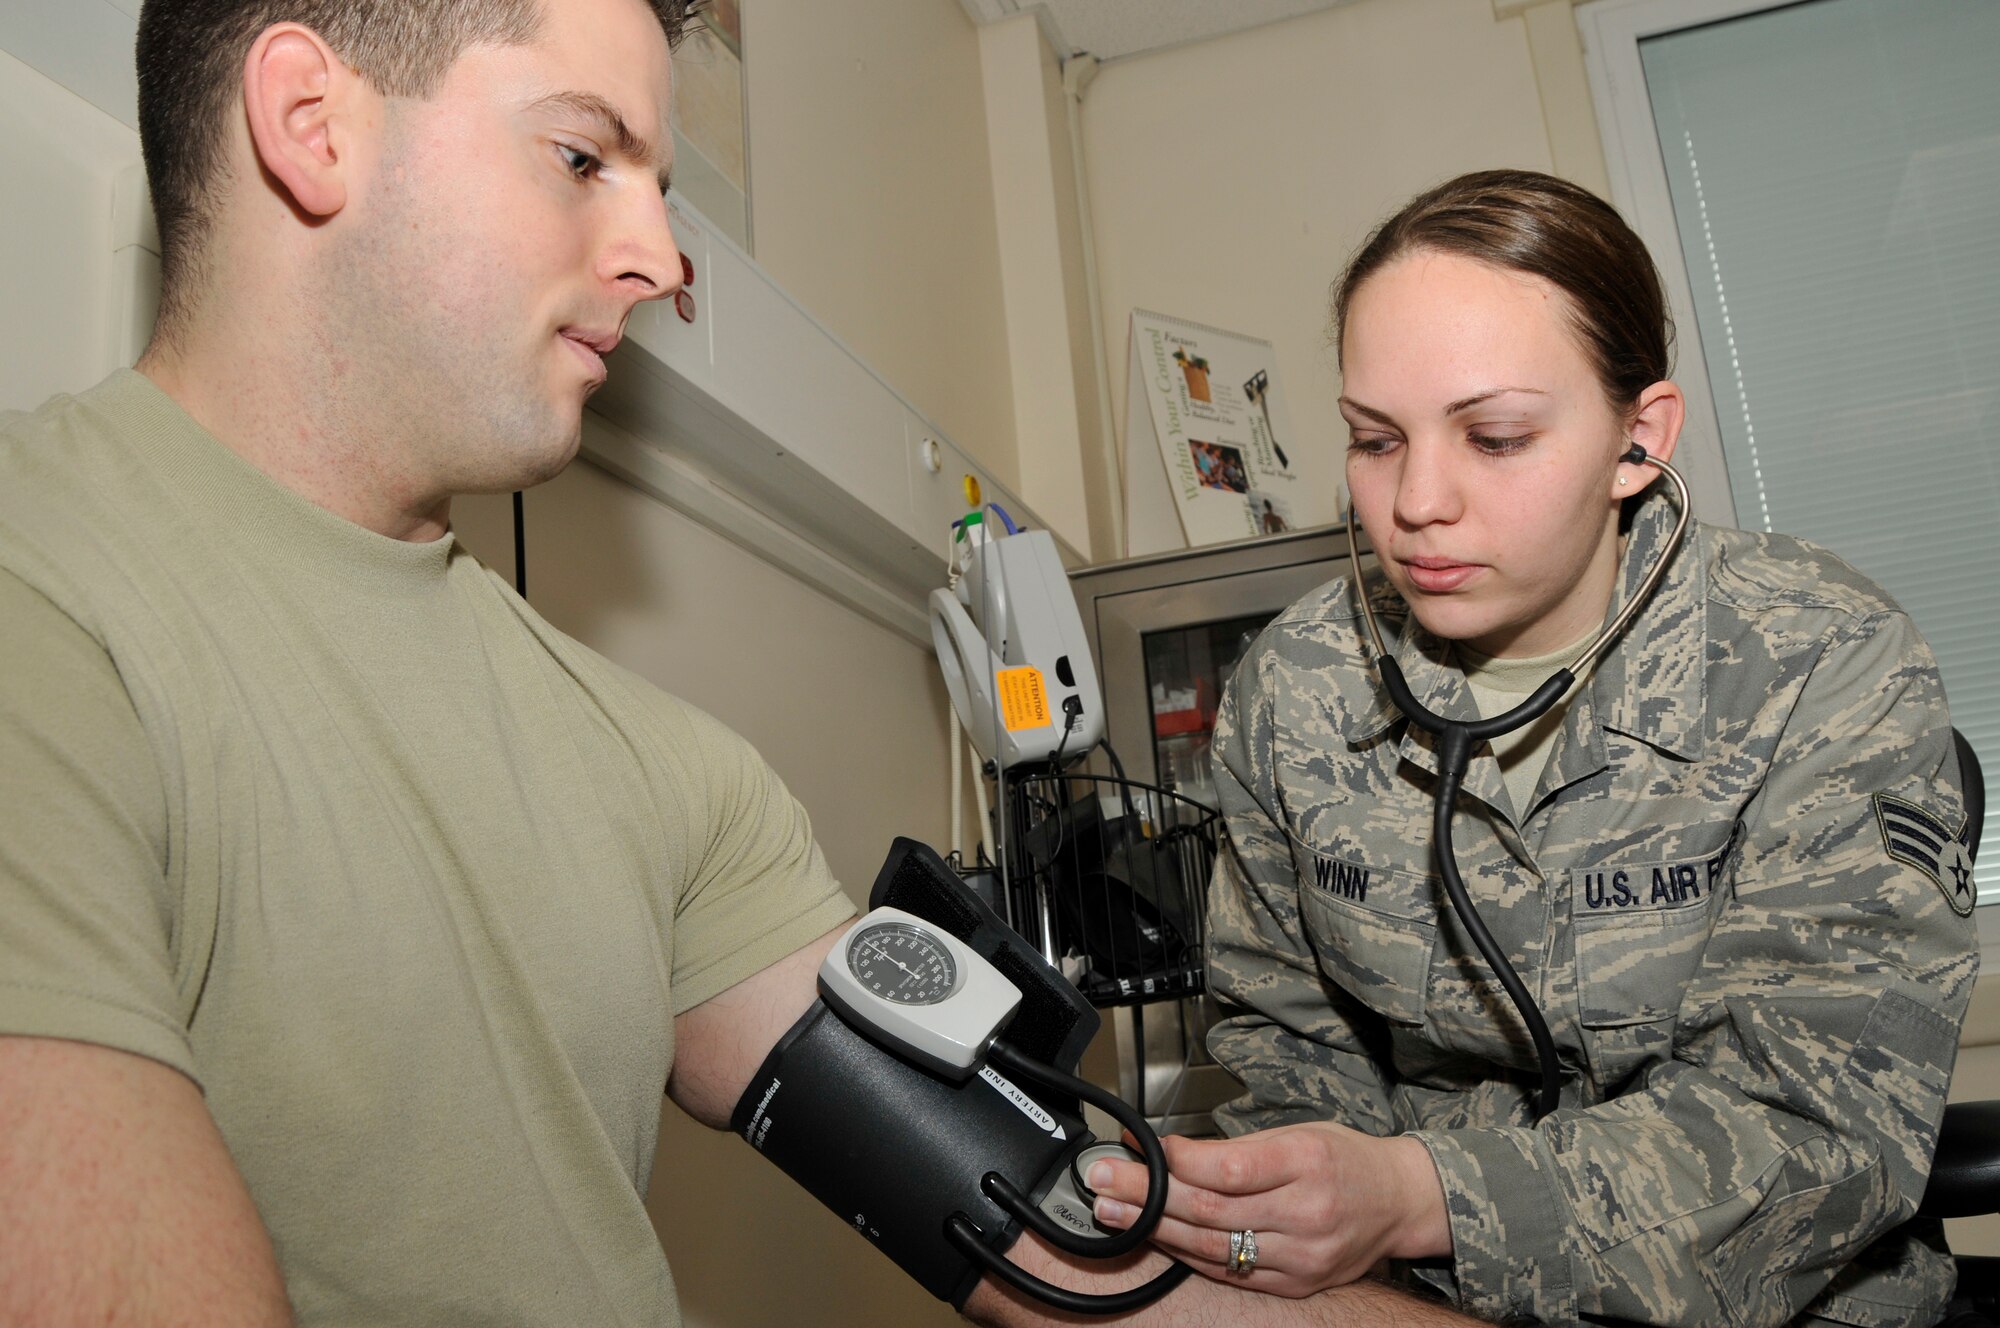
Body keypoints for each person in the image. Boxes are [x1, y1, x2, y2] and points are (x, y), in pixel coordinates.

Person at [0, 3, 1487, 1324]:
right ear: (311, 126)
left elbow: (1070, 1238)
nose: (658, 254)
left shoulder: (660, 771)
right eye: (586, 157)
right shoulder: (45, 594)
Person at [1084, 170, 1979, 1327]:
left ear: (1635, 438)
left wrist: (1420, 1194)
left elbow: (1818, 1135)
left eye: (1494, 436)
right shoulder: (1290, 693)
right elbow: (1283, 1049)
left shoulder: (1823, 659)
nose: (1414, 501)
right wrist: (1286, 1200)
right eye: (1371, 438)